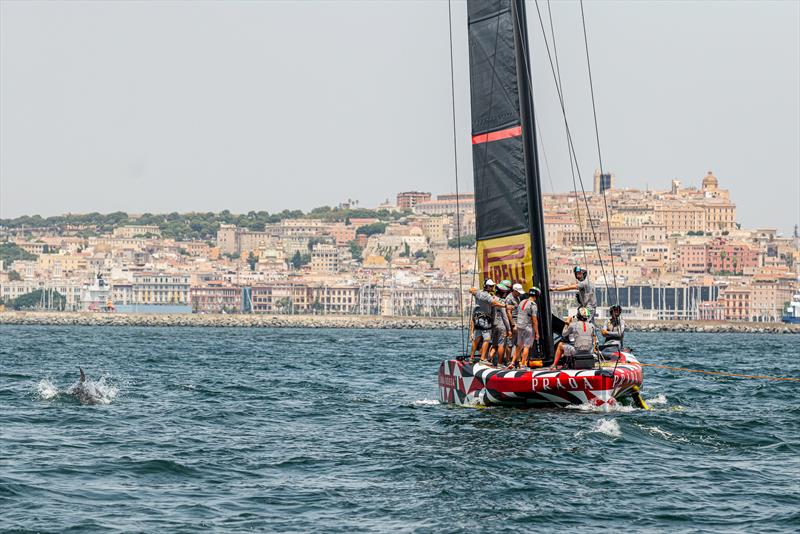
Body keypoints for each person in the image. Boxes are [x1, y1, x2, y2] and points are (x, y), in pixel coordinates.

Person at [468, 280, 507, 363]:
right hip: (485, 320)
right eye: (491, 286)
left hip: (477, 319)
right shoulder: (487, 296)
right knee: (487, 339)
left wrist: (475, 291)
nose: (492, 287)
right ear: (486, 286)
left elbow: (470, 290)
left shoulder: (478, 293)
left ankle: (471, 357)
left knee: (477, 338)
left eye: (492, 286)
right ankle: (482, 359)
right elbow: (494, 303)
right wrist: (506, 306)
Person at [508, 287, 541, 368]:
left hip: (519, 326)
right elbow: (534, 320)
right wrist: (537, 333)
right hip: (528, 327)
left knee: (519, 346)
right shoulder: (533, 305)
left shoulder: (522, 302)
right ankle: (523, 365)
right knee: (526, 346)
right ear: (536, 295)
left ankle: (512, 363)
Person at [489, 282, 513, 366]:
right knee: (501, 345)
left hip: (493, 325)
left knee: (494, 344)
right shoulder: (501, 302)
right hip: (501, 326)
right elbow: (504, 316)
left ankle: (488, 360)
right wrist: (509, 329)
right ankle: (499, 363)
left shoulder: (491, 299)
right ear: (503, 292)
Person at [504, 283, 524, 360]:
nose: (519, 293)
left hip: (518, 322)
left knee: (518, 343)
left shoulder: (517, 297)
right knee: (510, 343)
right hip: (512, 323)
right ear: (515, 291)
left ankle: (517, 361)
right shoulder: (509, 298)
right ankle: (508, 361)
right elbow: (508, 313)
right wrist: (513, 325)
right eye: (518, 292)